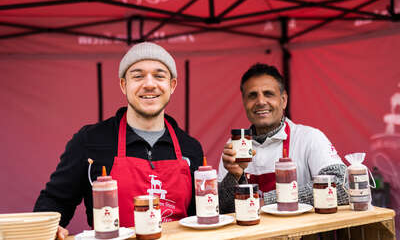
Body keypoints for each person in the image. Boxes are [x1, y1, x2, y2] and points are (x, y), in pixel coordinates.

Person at [34, 42, 203, 239]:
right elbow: (54, 202)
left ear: (172, 85)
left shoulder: (190, 148)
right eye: (138, 76)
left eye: (159, 76)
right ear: (124, 85)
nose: (149, 84)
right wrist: (49, 227)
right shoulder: (90, 140)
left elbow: (199, 217)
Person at [218, 63, 348, 213]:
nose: (260, 102)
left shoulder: (309, 138)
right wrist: (233, 176)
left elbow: (342, 187)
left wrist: (265, 201)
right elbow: (223, 208)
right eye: (252, 95)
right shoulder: (234, 145)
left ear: (284, 100)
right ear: (244, 102)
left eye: (268, 94)